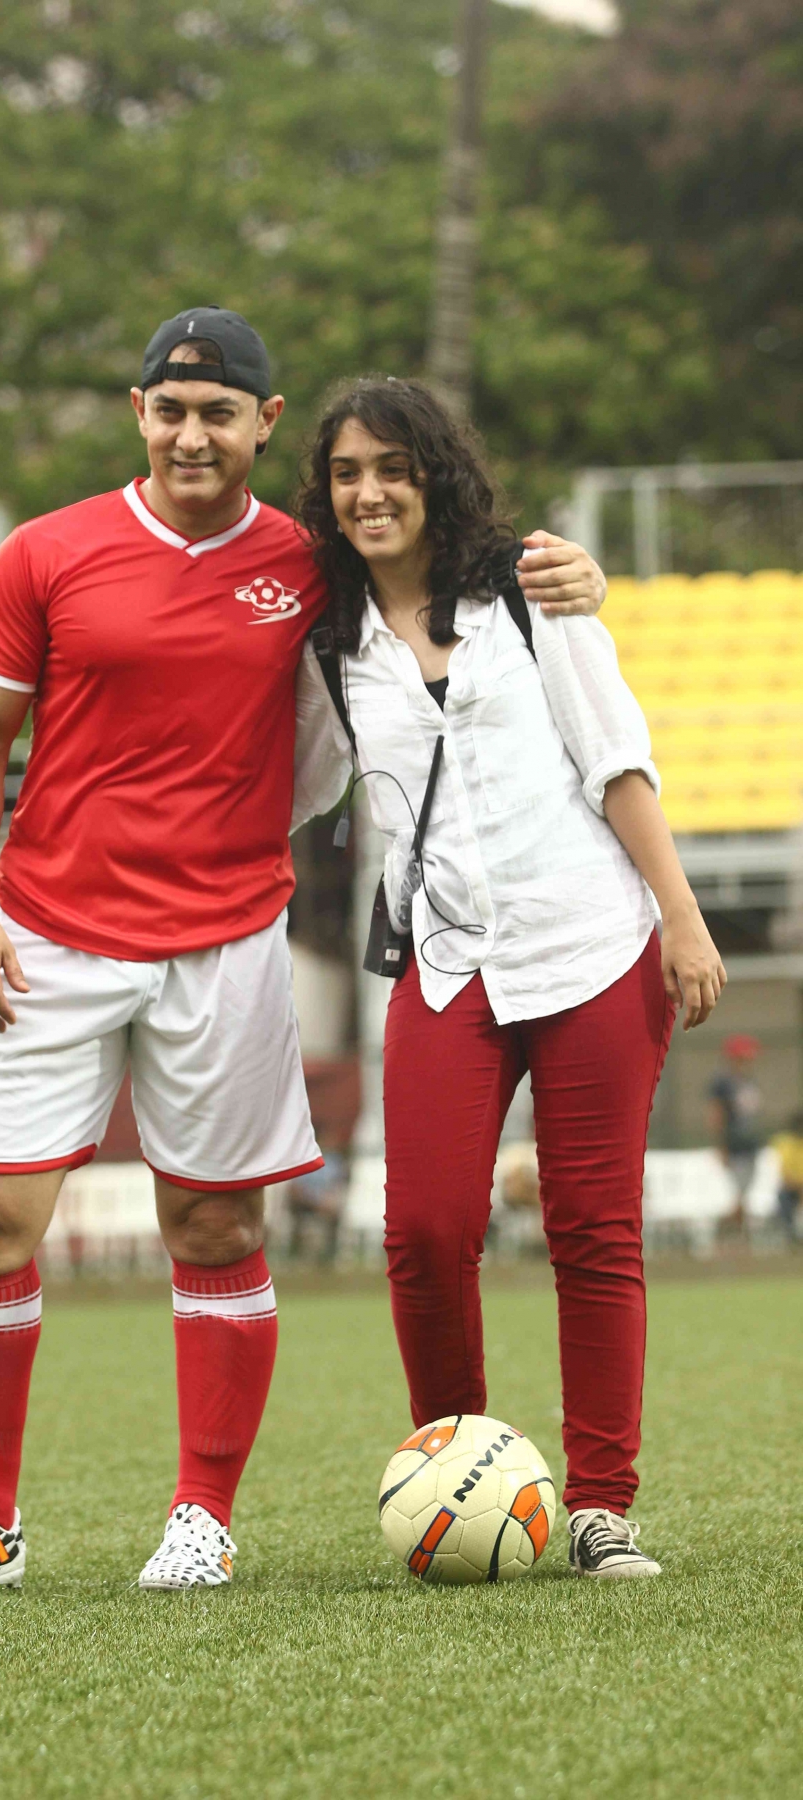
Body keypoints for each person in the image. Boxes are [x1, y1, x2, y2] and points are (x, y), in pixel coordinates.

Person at [0, 316, 607, 1599]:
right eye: (170, 410)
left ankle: (201, 1517)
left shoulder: (308, 566)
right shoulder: (46, 554)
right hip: (46, 933)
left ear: (268, 427)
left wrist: (577, 576)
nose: (191, 434)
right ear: (137, 415)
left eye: (220, 412)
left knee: (214, 1226)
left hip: (226, 942)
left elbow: (451, 567)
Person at [292, 375, 726, 1579]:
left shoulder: (533, 595)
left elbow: (617, 761)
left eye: (393, 467)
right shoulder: (330, 645)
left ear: (435, 474)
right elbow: (287, 788)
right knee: (425, 1227)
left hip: (592, 939)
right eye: (346, 474)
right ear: (326, 498)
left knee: (595, 1229)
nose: (370, 491)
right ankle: (454, 1465)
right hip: (447, 961)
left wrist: (680, 920)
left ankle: (599, 1506)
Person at [708, 1034, 764, 1233]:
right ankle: (724, 1229)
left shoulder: (749, 1081)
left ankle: (735, 1234)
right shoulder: (723, 1083)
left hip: (751, 1144)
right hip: (734, 1144)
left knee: (744, 1194)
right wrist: (721, 1145)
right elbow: (717, 1114)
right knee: (739, 1193)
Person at [770, 1110, 803, 1243]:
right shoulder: (785, 1143)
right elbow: (784, 1174)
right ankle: (790, 1234)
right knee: (783, 1196)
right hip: (792, 1187)